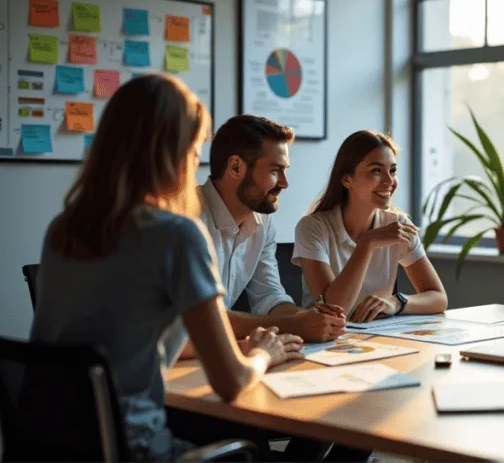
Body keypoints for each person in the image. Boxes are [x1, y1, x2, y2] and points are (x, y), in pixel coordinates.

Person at [30, 74, 302, 461]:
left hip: (48, 442)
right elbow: (231, 382)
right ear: (174, 153)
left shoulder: (65, 228)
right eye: (194, 152)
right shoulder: (176, 234)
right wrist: (264, 353)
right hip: (136, 448)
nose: (195, 165)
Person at [196, 115, 346, 342]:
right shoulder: (188, 219)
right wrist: (293, 325)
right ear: (235, 167)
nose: (285, 183)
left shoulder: (262, 223)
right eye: (275, 171)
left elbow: (268, 296)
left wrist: (309, 317)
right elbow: (195, 318)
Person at [294, 131, 447, 323]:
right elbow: (333, 310)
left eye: (392, 171)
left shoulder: (398, 225)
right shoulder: (312, 227)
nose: (389, 181)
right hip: (323, 339)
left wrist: (396, 302)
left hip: (377, 337)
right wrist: (367, 243)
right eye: (376, 170)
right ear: (346, 180)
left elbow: (438, 298)